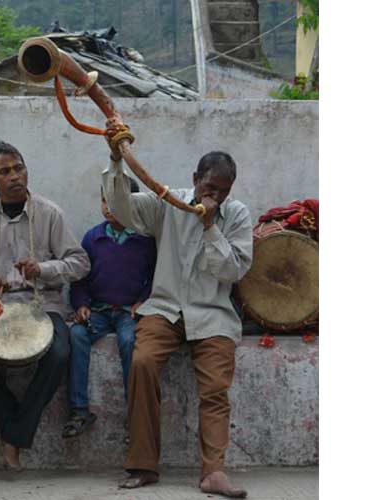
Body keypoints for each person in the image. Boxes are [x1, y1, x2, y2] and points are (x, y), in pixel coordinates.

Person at [101, 123, 253, 498]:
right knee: (142, 363)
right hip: (165, 308)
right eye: (208, 187)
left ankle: (213, 472)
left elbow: (234, 269)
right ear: (194, 179)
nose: (213, 196)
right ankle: (143, 465)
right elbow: (120, 208)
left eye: (222, 190)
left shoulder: (235, 216)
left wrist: (210, 228)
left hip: (213, 313)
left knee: (215, 387)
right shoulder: (166, 202)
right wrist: (116, 160)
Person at [0, 141, 88, 471]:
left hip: (44, 305)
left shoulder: (50, 214)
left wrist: (43, 269)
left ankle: (13, 433)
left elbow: (80, 262)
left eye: (19, 168)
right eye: (5, 171)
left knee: (59, 351)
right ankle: (16, 425)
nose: (15, 176)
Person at [63, 179, 156, 438]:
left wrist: (142, 302)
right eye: (105, 200)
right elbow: (79, 279)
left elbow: (155, 278)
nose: (108, 207)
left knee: (129, 342)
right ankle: (79, 410)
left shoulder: (145, 240)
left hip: (129, 312)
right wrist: (81, 305)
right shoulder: (93, 238)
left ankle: (134, 414)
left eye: (117, 202)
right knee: (77, 336)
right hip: (99, 311)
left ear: (133, 205)